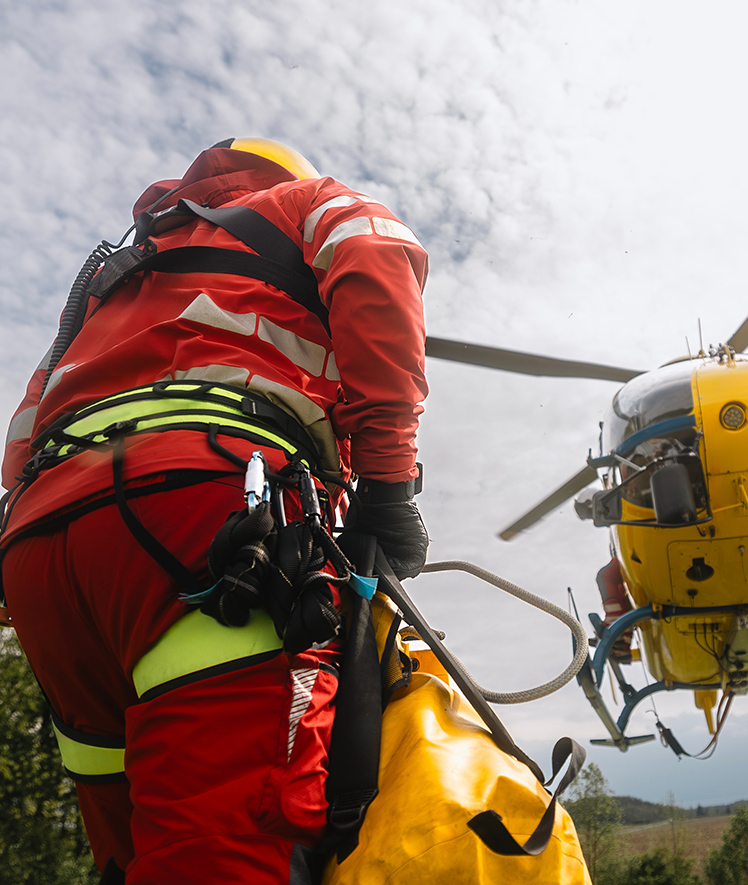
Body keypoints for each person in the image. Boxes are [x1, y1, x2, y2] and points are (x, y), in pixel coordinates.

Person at [0, 138, 430, 883]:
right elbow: (377, 254)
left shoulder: (118, 277)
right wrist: (387, 486)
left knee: (123, 845)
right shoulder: (305, 201)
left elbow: (23, 431)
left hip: (40, 549)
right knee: (225, 848)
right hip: (203, 519)